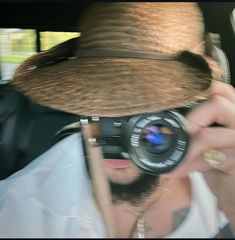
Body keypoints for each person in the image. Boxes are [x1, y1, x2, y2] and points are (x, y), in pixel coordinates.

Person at [0, 2, 235, 238]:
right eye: (100, 92)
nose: (116, 122)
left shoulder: (221, 172)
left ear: (192, 104)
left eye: (146, 98)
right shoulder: (19, 209)